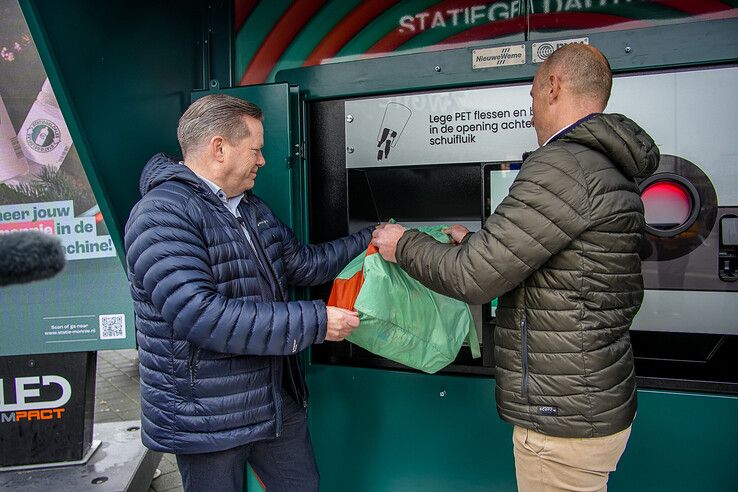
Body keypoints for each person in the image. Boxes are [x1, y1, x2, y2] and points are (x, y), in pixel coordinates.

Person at [372, 44, 659, 492]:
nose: (530, 114)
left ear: (552, 87)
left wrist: (402, 244)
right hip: (591, 393)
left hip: (560, 413)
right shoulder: (604, 167)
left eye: (529, 98)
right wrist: (476, 243)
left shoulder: (562, 165)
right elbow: (562, 264)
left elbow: (472, 277)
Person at [124, 94, 371, 492]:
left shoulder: (249, 209)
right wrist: (318, 320)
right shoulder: (161, 213)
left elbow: (303, 264)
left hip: (271, 398)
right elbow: (201, 316)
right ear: (219, 148)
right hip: (206, 414)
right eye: (256, 149)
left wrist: (371, 239)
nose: (263, 161)